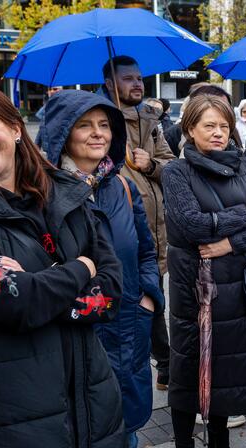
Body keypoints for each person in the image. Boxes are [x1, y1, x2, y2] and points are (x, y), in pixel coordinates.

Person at [0, 82, 127, 448]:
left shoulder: (66, 195)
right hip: (3, 424)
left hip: (89, 408)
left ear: (15, 129)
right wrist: (80, 268)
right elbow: (11, 302)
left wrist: (37, 283)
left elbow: (111, 296)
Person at [44, 89, 165, 448]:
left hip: (128, 329)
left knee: (124, 429)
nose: (98, 134)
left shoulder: (121, 187)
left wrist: (148, 298)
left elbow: (146, 249)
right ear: (63, 132)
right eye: (84, 125)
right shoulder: (41, 193)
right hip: (76, 335)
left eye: (104, 125)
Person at [162, 94, 246, 448]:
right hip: (197, 287)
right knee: (189, 370)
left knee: (228, 370)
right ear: (190, 129)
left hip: (240, 283)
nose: (218, 133)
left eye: (224, 126)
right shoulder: (176, 172)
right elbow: (191, 225)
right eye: (208, 126)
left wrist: (229, 240)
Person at [102, 55, 176, 391]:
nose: (137, 84)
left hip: (155, 227)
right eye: (128, 78)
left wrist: (149, 166)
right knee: (136, 297)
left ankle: (162, 363)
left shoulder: (151, 119)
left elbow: (172, 167)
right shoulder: (99, 120)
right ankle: (158, 362)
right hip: (121, 226)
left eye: (139, 77)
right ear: (109, 84)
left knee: (152, 294)